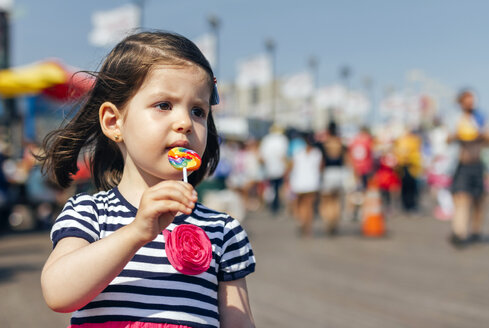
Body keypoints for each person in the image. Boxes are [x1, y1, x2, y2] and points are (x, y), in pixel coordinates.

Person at [39, 31, 256, 328]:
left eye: (198, 111)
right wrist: (136, 232)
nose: (185, 123)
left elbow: (239, 322)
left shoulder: (223, 231)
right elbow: (58, 294)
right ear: (114, 122)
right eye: (164, 105)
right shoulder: (89, 214)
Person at [447, 89, 489, 248]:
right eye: (467, 99)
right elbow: (447, 138)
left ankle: (476, 230)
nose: (470, 102)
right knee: (461, 197)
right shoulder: (455, 118)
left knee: (479, 199)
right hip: (462, 163)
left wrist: (480, 135)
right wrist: (457, 135)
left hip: (478, 163)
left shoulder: (481, 118)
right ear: (461, 102)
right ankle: (459, 232)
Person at [288, 131, 322, 236]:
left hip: (299, 183)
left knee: (300, 206)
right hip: (312, 183)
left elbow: (291, 168)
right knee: (309, 207)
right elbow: (320, 168)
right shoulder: (317, 153)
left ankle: (302, 222)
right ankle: (308, 228)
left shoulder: (298, 153)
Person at [319, 122, 346, 235]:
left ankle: (328, 220)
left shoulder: (325, 144)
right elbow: (347, 159)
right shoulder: (340, 143)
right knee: (336, 200)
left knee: (326, 200)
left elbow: (321, 162)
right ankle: (334, 221)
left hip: (327, 173)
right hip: (339, 173)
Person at [259, 125, 289, 214]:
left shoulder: (266, 139)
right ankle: (277, 205)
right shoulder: (283, 139)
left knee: (271, 187)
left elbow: (262, 157)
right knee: (278, 188)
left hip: (269, 168)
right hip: (280, 168)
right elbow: (284, 155)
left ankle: (272, 205)